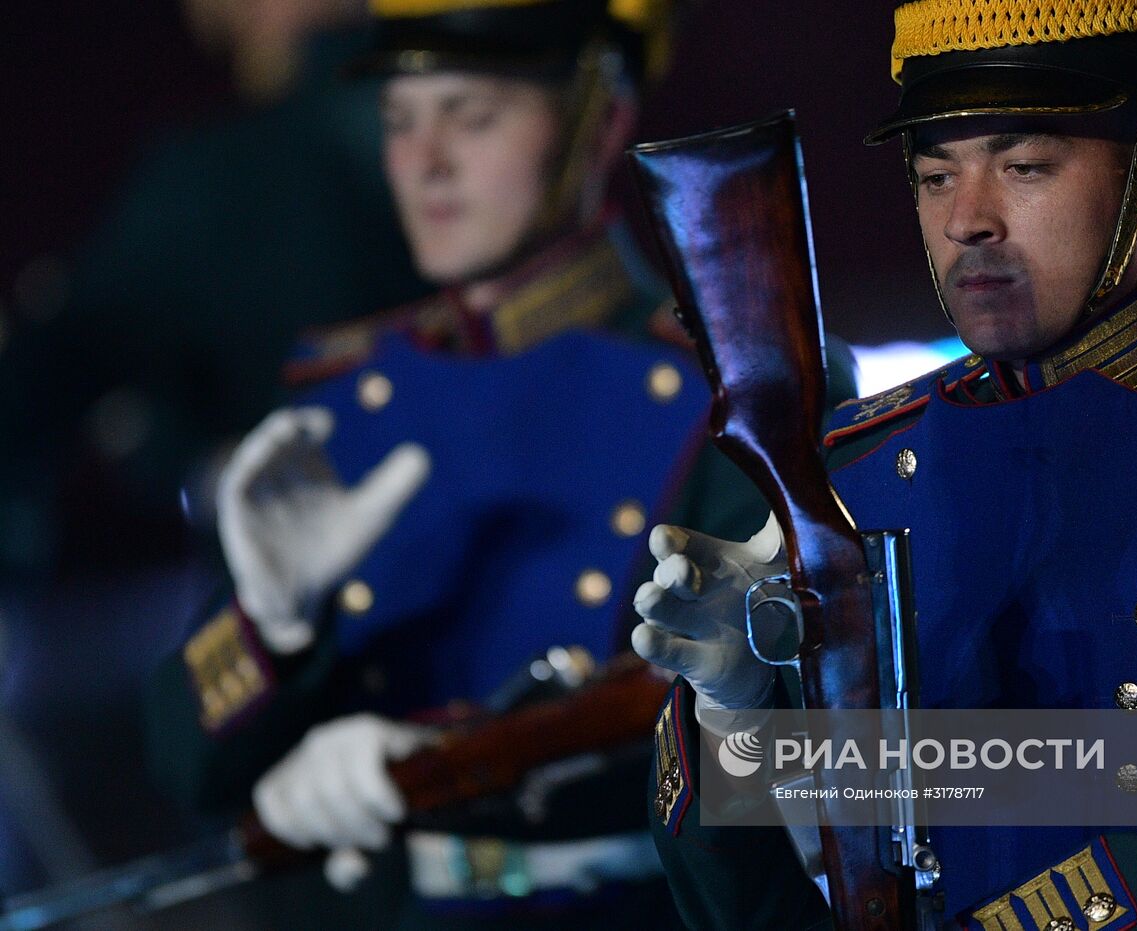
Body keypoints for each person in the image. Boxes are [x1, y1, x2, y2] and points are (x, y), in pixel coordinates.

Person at [632, 1, 1137, 929]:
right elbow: (750, 911)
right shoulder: (855, 466)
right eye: (932, 174)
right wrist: (734, 714)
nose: (968, 221)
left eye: (1025, 167)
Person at [144, 0, 847, 926]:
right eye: (400, 119)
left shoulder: (727, 381)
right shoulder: (343, 391)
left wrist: (447, 762)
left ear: (601, 118)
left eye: (471, 116)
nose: (426, 161)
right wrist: (268, 625)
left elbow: (799, 748)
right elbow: (186, 765)